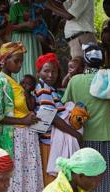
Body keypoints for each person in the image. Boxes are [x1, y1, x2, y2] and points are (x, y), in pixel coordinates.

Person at [62, 44, 110, 192]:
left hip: (83, 138)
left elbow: (66, 104)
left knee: (83, 180)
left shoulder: (75, 81)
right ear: (102, 60)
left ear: (85, 60)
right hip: (104, 137)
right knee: (104, 180)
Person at [0, 42, 42, 192]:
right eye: (16, 61)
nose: (20, 65)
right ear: (4, 60)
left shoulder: (13, 82)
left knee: (27, 182)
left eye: (21, 61)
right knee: (16, 180)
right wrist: (23, 120)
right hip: (14, 139)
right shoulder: (0, 82)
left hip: (25, 137)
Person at [34, 52, 83, 185]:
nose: (51, 75)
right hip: (50, 144)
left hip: (53, 142)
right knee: (54, 183)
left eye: (54, 71)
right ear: (38, 73)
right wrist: (75, 134)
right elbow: (52, 118)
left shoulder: (49, 89)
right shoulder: (44, 89)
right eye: (46, 71)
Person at [8, 0, 42, 82]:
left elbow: (41, 20)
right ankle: (21, 85)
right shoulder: (15, 7)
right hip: (19, 39)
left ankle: (34, 87)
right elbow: (11, 27)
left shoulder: (35, 7)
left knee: (33, 63)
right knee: (20, 63)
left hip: (33, 38)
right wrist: (25, 24)